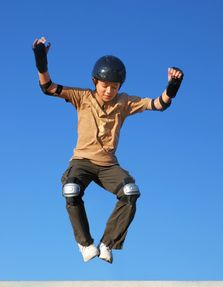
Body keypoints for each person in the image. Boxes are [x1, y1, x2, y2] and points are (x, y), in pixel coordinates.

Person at [32, 37, 184, 264]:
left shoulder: (125, 102)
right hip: (82, 161)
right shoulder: (81, 97)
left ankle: (107, 243)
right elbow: (48, 88)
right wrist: (41, 58)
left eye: (114, 87)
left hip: (108, 165)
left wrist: (172, 86)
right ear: (95, 81)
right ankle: (85, 244)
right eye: (105, 86)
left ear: (120, 86)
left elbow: (158, 104)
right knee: (71, 189)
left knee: (130, 191)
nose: (109, 91)